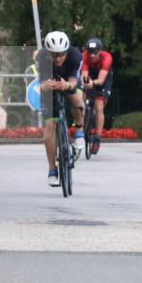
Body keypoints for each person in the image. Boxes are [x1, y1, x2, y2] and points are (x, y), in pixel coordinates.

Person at [38, 31, 86, 186]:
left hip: (69, 82)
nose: (57, 58)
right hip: (50, 87)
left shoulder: (75, 55)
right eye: (53, 55)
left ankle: (79, 129)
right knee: (50, 125)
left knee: (76, 98)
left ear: (66, 51)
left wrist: (67, 85)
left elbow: (74, 81)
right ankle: (52, 169)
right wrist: (44, 85)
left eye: (61, 55)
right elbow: (41, 83)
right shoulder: (42, 57)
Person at [81, 37, 114, 155]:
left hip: (103, 79)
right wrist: (87, 82)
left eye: (95, 54)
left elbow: (100, 80)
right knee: (81, 99)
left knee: (99, 107)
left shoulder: (107, 57)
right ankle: (81, 127)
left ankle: (97, 138)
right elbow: (84, 74)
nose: (92, 56)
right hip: (90, 75)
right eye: (90, 53)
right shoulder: (84, 56)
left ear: (100, 51)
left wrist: (93, 83)